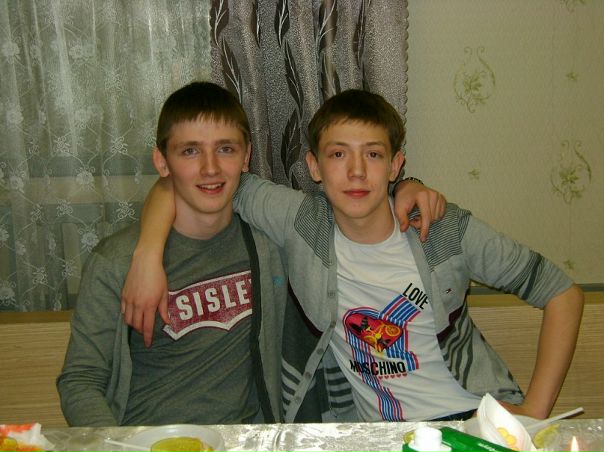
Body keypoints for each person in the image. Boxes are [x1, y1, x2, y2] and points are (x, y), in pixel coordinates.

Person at [123, 89, 583, 424]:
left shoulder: (442, 230)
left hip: (475, 423)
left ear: (396, 164)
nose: (357, 172)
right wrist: (147, 254)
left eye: (374, 155)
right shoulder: (302, 223)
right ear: (314, 166)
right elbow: (196, 180)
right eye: (339, 154)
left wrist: (534, 412)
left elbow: (562, 292)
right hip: (375, 437)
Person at [57, 82, 446, 426]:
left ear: (245, 158)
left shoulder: (272, 246)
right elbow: (81, 380)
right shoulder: (117, 262)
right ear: (162, 161)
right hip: (148, 440)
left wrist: (405, 186)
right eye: (190, 151)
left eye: (225, 149)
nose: (210, 168)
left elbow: (354, 212)